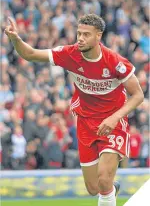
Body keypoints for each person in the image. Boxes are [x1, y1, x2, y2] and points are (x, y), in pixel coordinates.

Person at [5, 14, 144, 206]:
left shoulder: (115, 62)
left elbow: (138, 95)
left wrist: (115, 118)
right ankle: (111, 189)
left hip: (113, 122)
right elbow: (30, 54)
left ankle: (108, 188)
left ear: (98, 36)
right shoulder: (69, 54)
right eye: (79, 33)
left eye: (86, 34)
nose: (80, 38)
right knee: (93, 188)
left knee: (104, 180)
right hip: (86, 122)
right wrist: (15, 38)